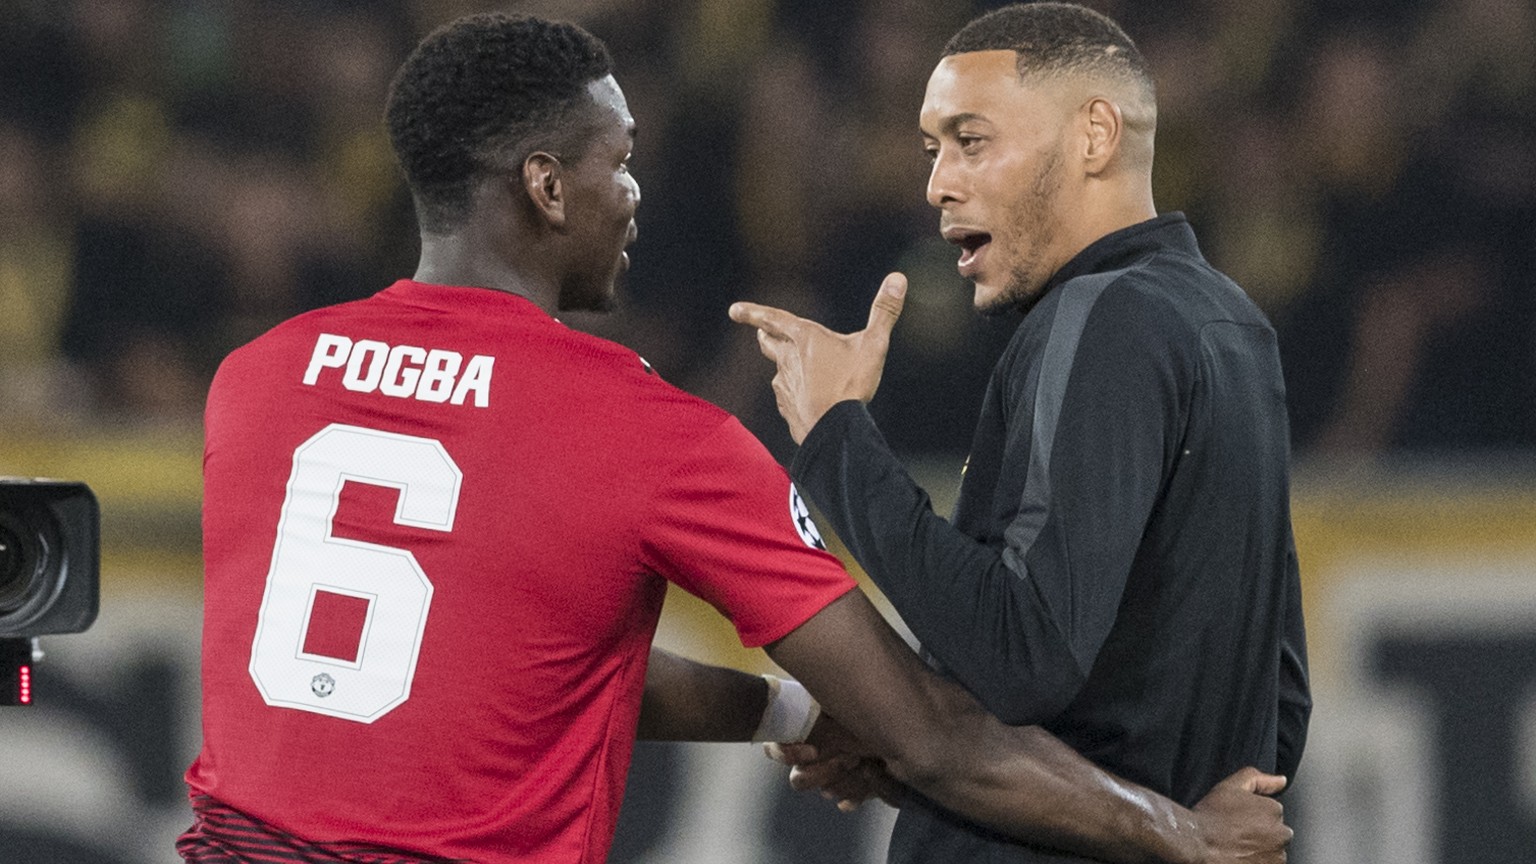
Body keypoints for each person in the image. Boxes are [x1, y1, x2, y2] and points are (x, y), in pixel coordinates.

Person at [177, 12, 1293, 864]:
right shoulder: (644, 432)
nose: (637, 191)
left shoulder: (257, 381)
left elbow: (506, 656)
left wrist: (798, 709)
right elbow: (941, 734)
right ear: (546, 186)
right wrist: (1184, 838)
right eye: (618, 162)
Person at [731, 3, 1311, 862]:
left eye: (971, 141)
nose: (937, 184)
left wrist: (836, 434)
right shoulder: (1232, 322)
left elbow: (1022, 652)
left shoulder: (1100, 316)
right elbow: (1278, 704)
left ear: (1094, 136)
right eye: (933, 150)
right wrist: (908, 757)